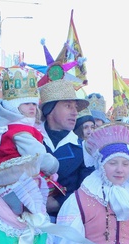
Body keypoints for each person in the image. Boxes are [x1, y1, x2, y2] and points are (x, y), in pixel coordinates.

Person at [0, 67, 59, 177]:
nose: (32, 107)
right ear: (14, 106)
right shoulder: (20, 131)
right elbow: (38, 156)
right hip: (21, 182)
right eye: (26, 104)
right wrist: (54, 165)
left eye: (34, 104)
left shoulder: (9, 128)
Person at [38, 68, 91, 215]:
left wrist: (58, 203)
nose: (75, 112)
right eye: (68, 106)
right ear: (49, 110)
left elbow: (88, 192)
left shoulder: (84, 150)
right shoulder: (30, 141)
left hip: (67, 225)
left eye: (75, 107)